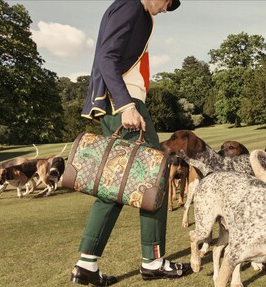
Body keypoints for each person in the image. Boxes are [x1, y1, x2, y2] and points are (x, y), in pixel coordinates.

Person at [71, 0, 190, 285]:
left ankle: (86, 263)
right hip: (124, 104)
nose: (165, 9)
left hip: (122, 104)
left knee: (113, 187)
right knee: (155, 178)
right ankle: (153, 260)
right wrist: (125, 105)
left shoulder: (136, 11)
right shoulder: (131, 7)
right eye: (167, 2)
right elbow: (106, 57)